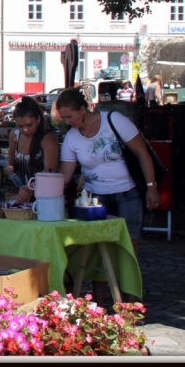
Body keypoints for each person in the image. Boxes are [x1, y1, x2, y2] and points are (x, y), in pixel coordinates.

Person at [56, 87, 159, 305]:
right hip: (95, 198)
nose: (67, 122)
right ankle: (100, 304)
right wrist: (44, 185)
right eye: (63, 117)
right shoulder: (72, 138)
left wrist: (151, 186)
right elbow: (65, 175)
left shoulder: (114, 120)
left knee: (129, 247)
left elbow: (142, 152)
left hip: (127, 192)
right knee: (97, 248)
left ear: (83, 110)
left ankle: (132, 304)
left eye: (70, 116)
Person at [7, 97, 60, 204]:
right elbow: (11, 154)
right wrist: (9, 166)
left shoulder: (48, 138)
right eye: (20, 126)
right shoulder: (14, 134)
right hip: (21, 193)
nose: (25, 130)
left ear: (38, 119)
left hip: (46, 196)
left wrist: (32, 188)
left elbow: (50, 169)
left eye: (29, 125)